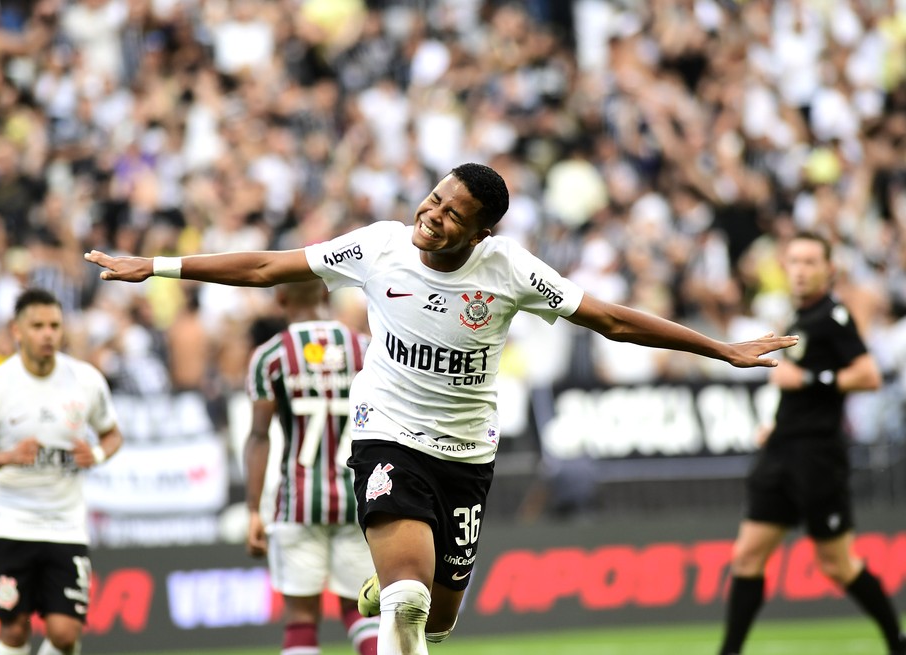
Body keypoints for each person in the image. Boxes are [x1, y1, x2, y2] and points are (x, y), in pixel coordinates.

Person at [86, 162, 797, 655]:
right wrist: (160, 266)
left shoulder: (511, 270)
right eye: (433, 198)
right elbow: (271, 266)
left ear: (481, 232)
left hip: (466, 456)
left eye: (453, 213)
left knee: (440, 614)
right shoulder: (379, 247)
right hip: (386, 437)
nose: (432, 215)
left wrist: (721, 348)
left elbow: (609, 319)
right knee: (409, 607)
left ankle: (385, 584)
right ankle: (393, 588)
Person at [718, 232, 906, 655]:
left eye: (809, 262)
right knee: (747, 556)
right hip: (782, 449)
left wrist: (807, 379)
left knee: (837, 565)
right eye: (794, 261)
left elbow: (868, 375)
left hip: (817, 457)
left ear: (828, 270)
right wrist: (778, 424)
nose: (800, 270)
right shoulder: (799, 318)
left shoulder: (832, 316)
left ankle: (897, 642)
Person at [0, 288, 123, 655]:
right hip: (11, 521)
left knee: (64, 634)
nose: (48, 334)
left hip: (66, 522)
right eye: (38, 325)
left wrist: (96, 454)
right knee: (14, 628)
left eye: (55, 325)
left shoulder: (86, 380)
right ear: (17, 331)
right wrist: (9, 456)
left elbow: (112, 435)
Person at [244, 280, 378, 655]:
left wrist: (254, 509)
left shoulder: (271, 357)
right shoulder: (365, 349)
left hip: (298, 501)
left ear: (280, 298)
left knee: (301, 617)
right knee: (363, 610)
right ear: (325, 295)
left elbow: (259, 435)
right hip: (358, 500)